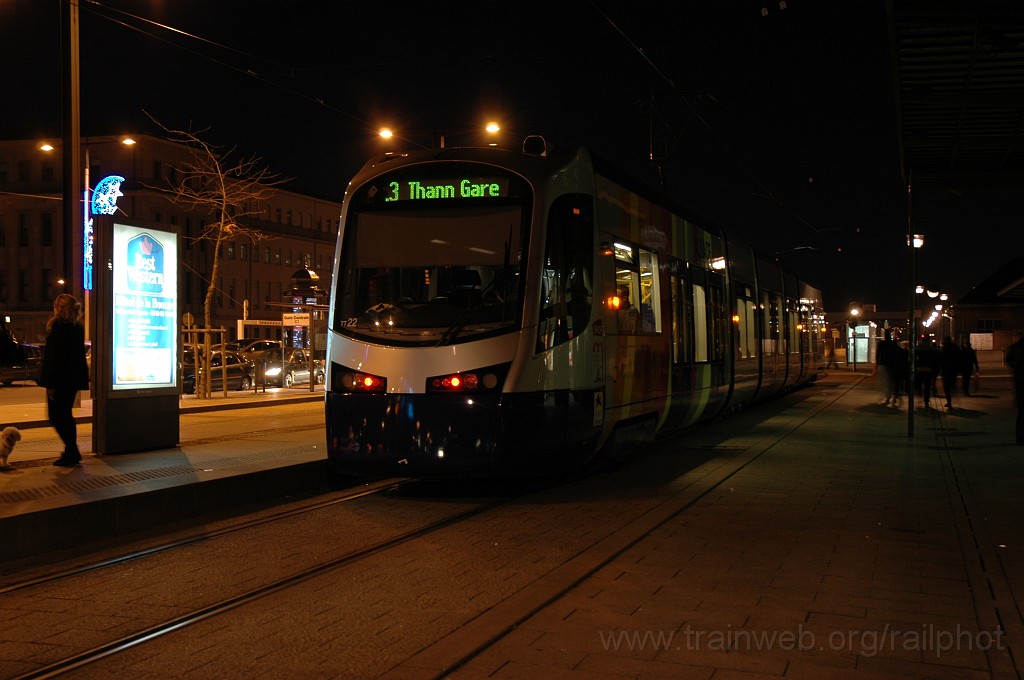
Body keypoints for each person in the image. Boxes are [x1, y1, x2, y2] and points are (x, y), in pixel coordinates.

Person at [37, 294, 90, 467]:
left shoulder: (59, 326)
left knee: (56, 415)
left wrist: (50, 383)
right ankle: (70, 451)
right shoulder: (77, 327)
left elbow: (54, 357)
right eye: (57, 305)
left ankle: (72, 451)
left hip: (59, 379)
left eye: (60, 306)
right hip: (71, 379)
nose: (58, 309)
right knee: (66, 415)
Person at [871, 330, 899, 407]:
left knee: (885, 381)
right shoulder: (893, 343)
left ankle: (887, 397)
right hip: (893, 364)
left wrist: (876, 365)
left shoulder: (881, 343)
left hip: (883, 364)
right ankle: (893, 395)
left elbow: (877, 354)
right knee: (891, 380)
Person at [1006, 332, 1024, 445]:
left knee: (1022, 410)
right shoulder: (1018, 348)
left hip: (1019, 378)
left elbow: (1009, 361)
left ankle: (1020, 437)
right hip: (1021, 376)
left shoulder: (1015, 347)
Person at [915, 338, 939, 409]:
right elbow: (935, 361)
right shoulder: (932, 349)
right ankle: (926, 400)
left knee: (918, 383)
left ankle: (920, 391)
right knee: (927, 386)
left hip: (919, 369)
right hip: (929, 369)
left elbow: (914, 358)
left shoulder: (918, 348)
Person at [939, 336, 961, 409]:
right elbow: (959, 357)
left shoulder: (944, 348)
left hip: (946, 369)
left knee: (946, 386)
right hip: (954, 369)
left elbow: (941, 358)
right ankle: (951, 397)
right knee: (952, 384)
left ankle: (949, 401)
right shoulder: (956, 347)